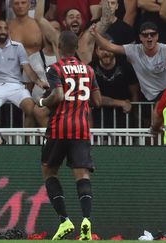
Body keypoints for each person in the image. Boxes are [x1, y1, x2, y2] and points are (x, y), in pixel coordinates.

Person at [38, 31, 101, 240]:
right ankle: (86, 220)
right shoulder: (89, 70)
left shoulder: (55, 68)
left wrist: (42, 102)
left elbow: (57, 95)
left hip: (59, 127)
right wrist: (81, 102)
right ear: (76, 48)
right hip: (81, 128)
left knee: (49, 170)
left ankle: (65, 220)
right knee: (82, 174)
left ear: (59, 46)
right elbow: (98, 101)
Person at [90, 21, 166, 102]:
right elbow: (109, 46)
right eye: (145, 35)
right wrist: (95, 34)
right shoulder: (134, 50)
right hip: (149, 98)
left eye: (152, 34)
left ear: (157, 36)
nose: (149, 37)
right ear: (140, 37)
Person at [0, 20, 49, 128]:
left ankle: (25, 143)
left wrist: (39, 82)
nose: (3, 31)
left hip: (16, 86)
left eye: (5, 28)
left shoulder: (18, 47)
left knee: (32, 110)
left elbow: (27, 68)